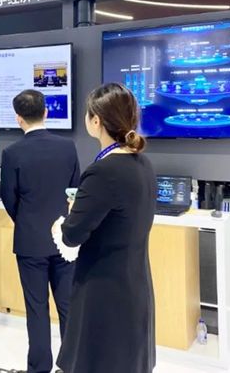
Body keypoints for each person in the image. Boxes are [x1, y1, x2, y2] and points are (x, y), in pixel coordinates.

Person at [56, 83, 156, 373]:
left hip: (104, 291)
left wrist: (70, 215)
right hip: (134, 286)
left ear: (96, 121)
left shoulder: (103, 171)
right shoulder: (143, 164)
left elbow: (72, 235)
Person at [0, 89, 80, 373]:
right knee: (68, 306)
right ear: (46, 112)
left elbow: (8, 198)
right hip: (64, 239)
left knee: (36, 309)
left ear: (18, 118)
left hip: (29, 241)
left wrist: (26, 221)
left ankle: (39, 368)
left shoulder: (11, 153)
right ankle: (72, 365)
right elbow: (75, 191)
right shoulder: (67, 147)